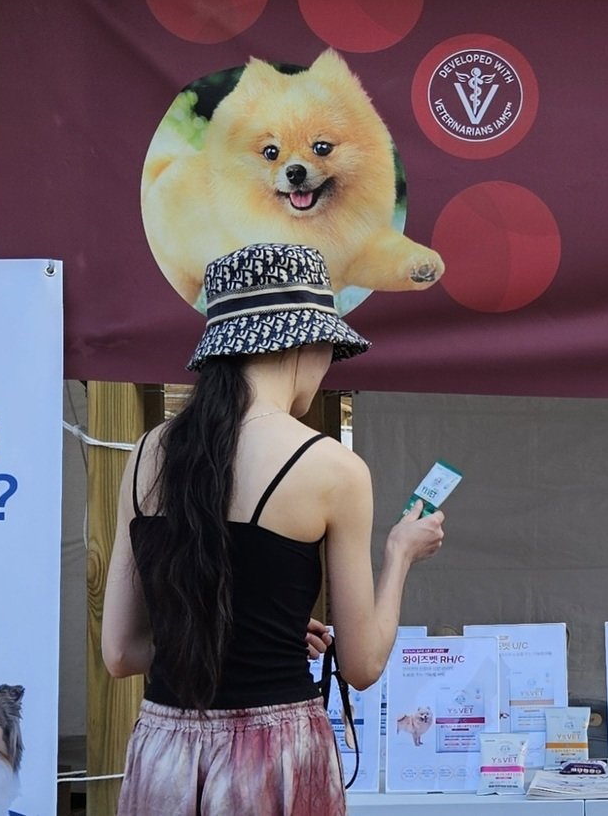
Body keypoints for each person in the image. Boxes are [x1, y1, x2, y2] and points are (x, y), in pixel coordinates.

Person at [102, 242, 445, 815]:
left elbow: (120, 652)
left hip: (163, 753)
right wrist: (401, 554)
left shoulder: (146, 454)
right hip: (273, 756)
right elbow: (361, 666)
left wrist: (227, 626)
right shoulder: (332, 468)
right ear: (305, 343)